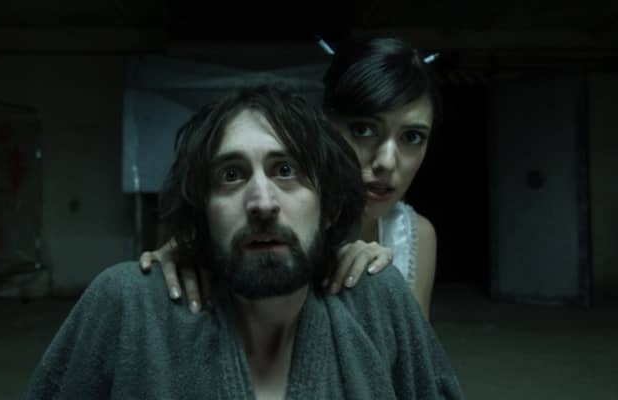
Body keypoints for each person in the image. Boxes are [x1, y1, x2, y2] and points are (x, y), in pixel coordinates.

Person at [23, 85, 463, 399]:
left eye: (286, 171)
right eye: (231, 175)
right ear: (202, 212)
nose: (262, 203)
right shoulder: (128, 306)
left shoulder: (377, 301)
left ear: (329, 207)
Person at [140, 37, 439, 318]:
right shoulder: (255, 226)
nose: (386, 162)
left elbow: (412, 352)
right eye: (363, 130)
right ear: (324, 127)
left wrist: (382, 288)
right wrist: (175, 263)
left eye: (412, 136)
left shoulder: (414, 236)